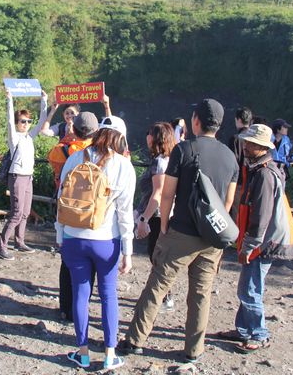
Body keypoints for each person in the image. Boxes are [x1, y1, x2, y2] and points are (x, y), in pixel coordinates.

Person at [118, 99, 238, 365]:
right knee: (200, 294)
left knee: (157, 287)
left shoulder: (184, 149)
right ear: (220, 124)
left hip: (180, 232)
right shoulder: (231, 157)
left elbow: (167, 194)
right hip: (211, 239)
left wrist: (163, 228)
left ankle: (134, 341)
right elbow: (227, 204)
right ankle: (193, 350)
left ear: (196, 121)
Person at [56, 126, 136, 371]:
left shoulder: (74, 157)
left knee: (81, 292)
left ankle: (83, 354)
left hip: (73, 238)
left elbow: (61, 199)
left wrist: (60, 236)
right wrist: (127, 251)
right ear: (119, 137)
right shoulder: (124, 166)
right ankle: (110, 356)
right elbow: (125, 214)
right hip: (106, 241)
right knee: (109, 294)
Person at [217, 124, 293, 353]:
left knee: (250, 289)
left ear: (262, 147)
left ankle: (259, 333)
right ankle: (244, 329)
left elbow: (261, 216)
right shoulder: (262, 169)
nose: (245, 146)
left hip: (263, 243)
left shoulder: (263, 174)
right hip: (263, 240)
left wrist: (248, 247)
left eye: (249, 143)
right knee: (249, 285)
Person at [47, 112, 99, 321]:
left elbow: (52, 156)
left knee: (67, 263)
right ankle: (82, 308)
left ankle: (65, 308)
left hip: (69, 214)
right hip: (93, 215)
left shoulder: (67, 151)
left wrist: (68, 138)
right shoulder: (104, 154)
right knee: (91, 267)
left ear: (75, 130)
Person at [0, 88, 48, 260]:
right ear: (18, 122)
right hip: (17, 176)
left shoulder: (29, 137)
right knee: (17, 213)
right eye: (23, 121)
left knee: (25, 213)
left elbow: (41, 122)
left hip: (28, 177)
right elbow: (10, 122)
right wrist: (9, 100)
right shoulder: (15, 138)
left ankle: (19, 242)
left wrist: (44, 102)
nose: (26, 124)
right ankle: (2, 246)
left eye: (28, 121)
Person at [135, 122, 177, 313]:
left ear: (157, 138)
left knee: (157, 257)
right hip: (164, 215)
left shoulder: (160, 162)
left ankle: (165, 298)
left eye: (150, 133)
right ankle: (163, 296)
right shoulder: (169, 160)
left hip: (158, 216)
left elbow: (158, 194)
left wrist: (144, 219)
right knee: (158, 256)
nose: (147, 137)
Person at [42, 94, 112, 140]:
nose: (70, 116)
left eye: (72, 113)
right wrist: (53, 111)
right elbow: (44, 131)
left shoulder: (85, 126)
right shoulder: (62, 127)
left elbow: (110, 127)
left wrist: (106, 106)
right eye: (67, 113)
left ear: (78, 114)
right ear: (63, 114)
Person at [228, 107, 252, 221]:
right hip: (252, 180)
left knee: (236, 212)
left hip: (238, 181)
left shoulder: (235, 139)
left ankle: (236, 237)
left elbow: (232, 162)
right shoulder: (253, 137)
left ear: (238, 120)